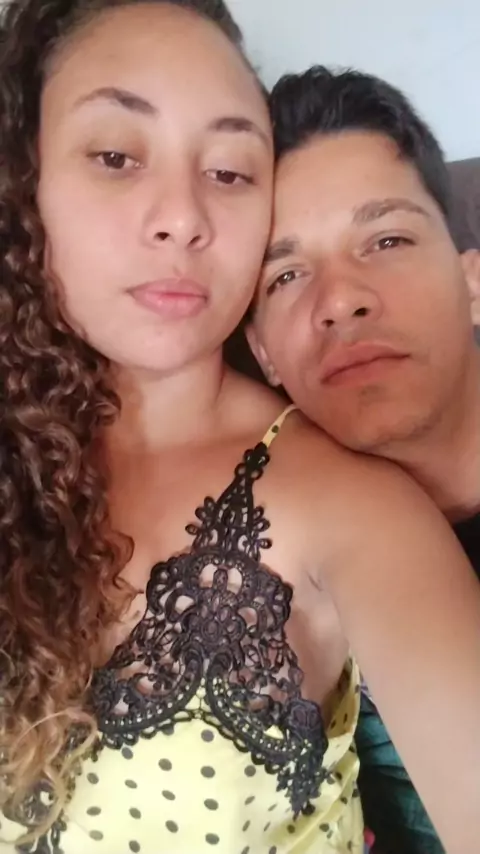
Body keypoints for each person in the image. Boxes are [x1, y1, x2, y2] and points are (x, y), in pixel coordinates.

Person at [0, 6, 479, 852]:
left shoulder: (351, 507)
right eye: (115, 157)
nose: (182, 215)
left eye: (227, 171)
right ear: (24, 180)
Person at [248, 65, 480, 853]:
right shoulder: (263, 567)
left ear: (472, 280)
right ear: (261, 352)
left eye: (386, 240)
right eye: (287, 274)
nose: (341, 299)